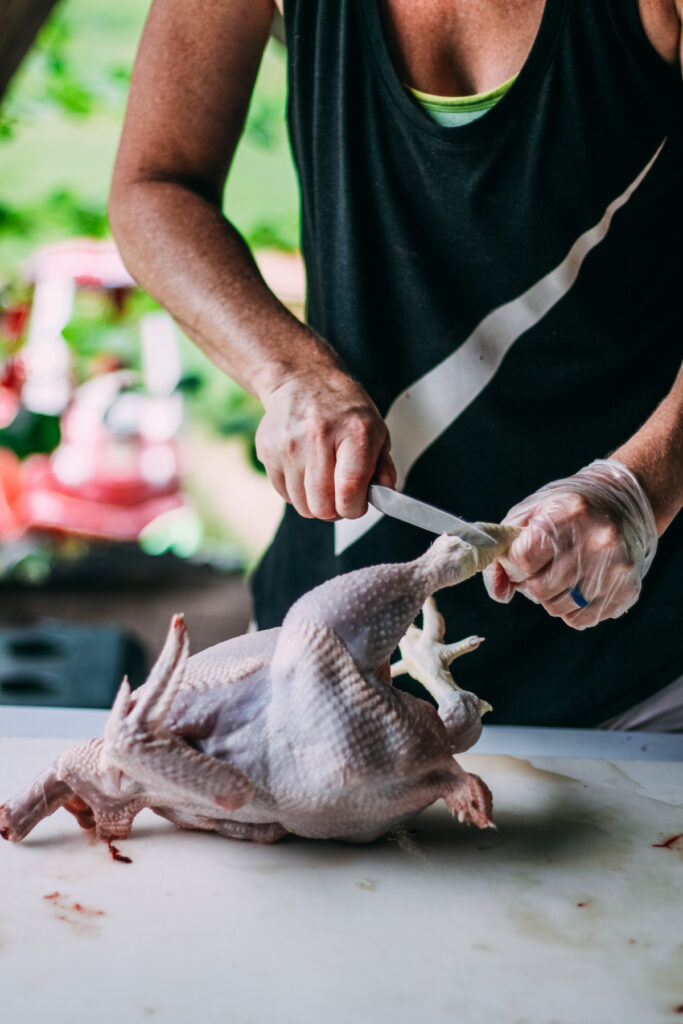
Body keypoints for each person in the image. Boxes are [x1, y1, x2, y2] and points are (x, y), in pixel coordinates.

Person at [108, 0, 683, 729]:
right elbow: (158, 183)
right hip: (330, 649)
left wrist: (640, 487)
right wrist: (288, 371)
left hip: (644, 673)